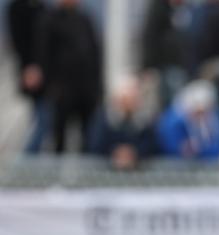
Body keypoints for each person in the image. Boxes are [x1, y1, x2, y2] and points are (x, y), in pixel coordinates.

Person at [34, 0, 102, 154]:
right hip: (62, 91)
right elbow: (43, 55)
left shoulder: (85, 19)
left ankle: (86, 176)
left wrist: (97, 88)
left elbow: (95, 54)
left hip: (86, 90)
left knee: (89, 139)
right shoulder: (49, 19)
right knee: (59, 139)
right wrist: (52, 86)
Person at [6, 0, 49, 153]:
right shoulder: (17, 7)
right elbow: (19, 40)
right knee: (39, 121)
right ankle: (24, 160)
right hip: (31, 75)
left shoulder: (42, 7)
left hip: (48, 76)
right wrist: (29, 67)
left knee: (42, 121)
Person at [87, 77, 158, 170]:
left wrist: (134, 153)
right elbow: (95, 144)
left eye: (133, 98)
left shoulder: (145, 120)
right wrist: (115, 152)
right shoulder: (105, 118)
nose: (130, 103)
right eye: (127, 98)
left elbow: (152, 145)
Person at [140, 0, 195, 109]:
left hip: (186, 67)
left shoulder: (187, 9)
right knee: (172, 105)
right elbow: (150, 36)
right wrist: (147, 66)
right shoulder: (160, 8)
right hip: (168, 66)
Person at [156, 80, 219, 160]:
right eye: (198, 112)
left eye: (204, 112)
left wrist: (200, 148)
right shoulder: (174, 122)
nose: (201, 116)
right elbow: (172, 148)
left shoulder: (216, 118)